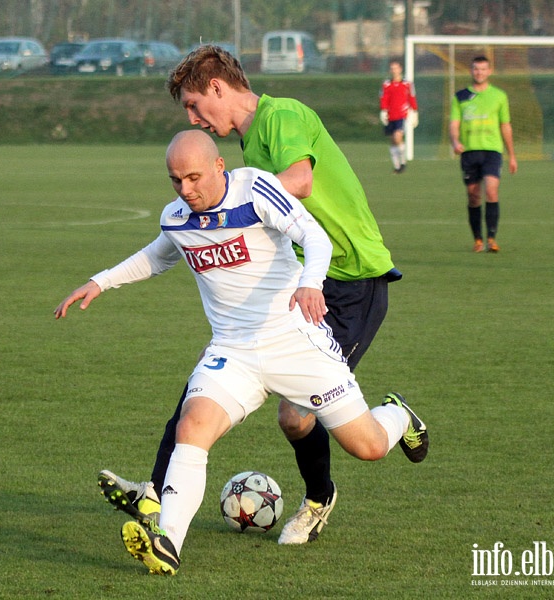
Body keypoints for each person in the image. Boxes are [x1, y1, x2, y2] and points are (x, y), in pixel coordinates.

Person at [55, 130, 428, 575]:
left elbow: (315, 236)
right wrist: (101, 281)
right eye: (175, 180)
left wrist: (310, 282)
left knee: (367, 447)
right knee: (192, 426)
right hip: (233, 351)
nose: (186, 190)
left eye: (194, 177)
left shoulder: (254, 190)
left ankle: (399, 415)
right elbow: (158, 256)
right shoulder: (177, 217)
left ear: (219, 166)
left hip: (297, 342)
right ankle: (167, 543)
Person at [98, 44, 403, 546]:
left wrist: (224, 207)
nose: (195, 118)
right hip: (305, 279)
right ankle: (156, 492)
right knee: (208, 378)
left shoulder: (278, 116)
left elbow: (298, 183)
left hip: (350, 281)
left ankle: (320, 496)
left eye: (196, 106)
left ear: (218, 87)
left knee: (297, 416)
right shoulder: (246, 149)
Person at [449, 55, 517, 253]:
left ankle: (492, 239)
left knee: (491, 191)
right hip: (469, 152)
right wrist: (455, 141)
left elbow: (505, 125)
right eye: (476, 69)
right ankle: (478, 239)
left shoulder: (499, 96)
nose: (479, 72)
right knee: (473, 196)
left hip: (492, 151)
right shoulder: (460, 97)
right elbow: (454, 124)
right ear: (471, 71)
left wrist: (512, 154)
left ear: (489, 71)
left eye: (483, 69)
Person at [379, 60, 418, 173]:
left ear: (400, 69)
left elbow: (412, 97)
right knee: (393, 141)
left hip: (402, 115)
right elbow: (383, 98)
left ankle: (403, 162)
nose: (394, 71)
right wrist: (383, 111)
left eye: (396, 68)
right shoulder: (386, 84)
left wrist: (415, 112)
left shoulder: (407, 84)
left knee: (397, 137)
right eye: (392, 68)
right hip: (390, 115)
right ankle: (397, 166)